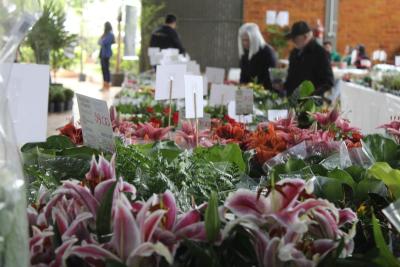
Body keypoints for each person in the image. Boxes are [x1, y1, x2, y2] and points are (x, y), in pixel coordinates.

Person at [284, 21, 334, 96]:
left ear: (305, 37)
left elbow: (328, 82)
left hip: (310, 103)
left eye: (295, 38)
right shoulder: (294, 53)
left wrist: (311, 97)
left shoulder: (320, 54)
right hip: (293, 101)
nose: (293, 41)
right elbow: (292, 78)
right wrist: (283, 86)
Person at [238, 23, 277, 90]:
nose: (244, 43)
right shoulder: (245, 54)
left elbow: (269, 79)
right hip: (249, 93)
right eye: (243, 40)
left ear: (255, 39)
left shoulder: (267, 52)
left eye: (247, 40)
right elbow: (243, 77)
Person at [98, 22, 115, 91]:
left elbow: (103, 42)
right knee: (103, 69)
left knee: (106, 69)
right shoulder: (105, 34)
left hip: (106, 54)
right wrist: (102, 40)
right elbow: (99, 42)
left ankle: (107, 85)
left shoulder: (110, 34)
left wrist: (102, 40)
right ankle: (104, 85)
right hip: (102, 54)